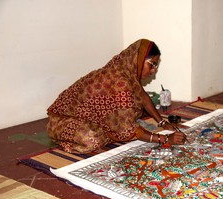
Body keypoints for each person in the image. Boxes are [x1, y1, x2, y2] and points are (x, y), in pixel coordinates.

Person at [47, 39, 186, 154]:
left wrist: (163, 123)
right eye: (152, 65)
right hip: (63, 119)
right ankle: (60, 136)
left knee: (119, 129)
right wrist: (165, 139)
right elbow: (128, 129)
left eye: (156, 66)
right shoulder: (120, 82)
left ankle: (115, 131)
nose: (154, 71)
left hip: (89, 117)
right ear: (139, 58)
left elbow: (142, 96)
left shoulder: (127, 70)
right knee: (94, 140)